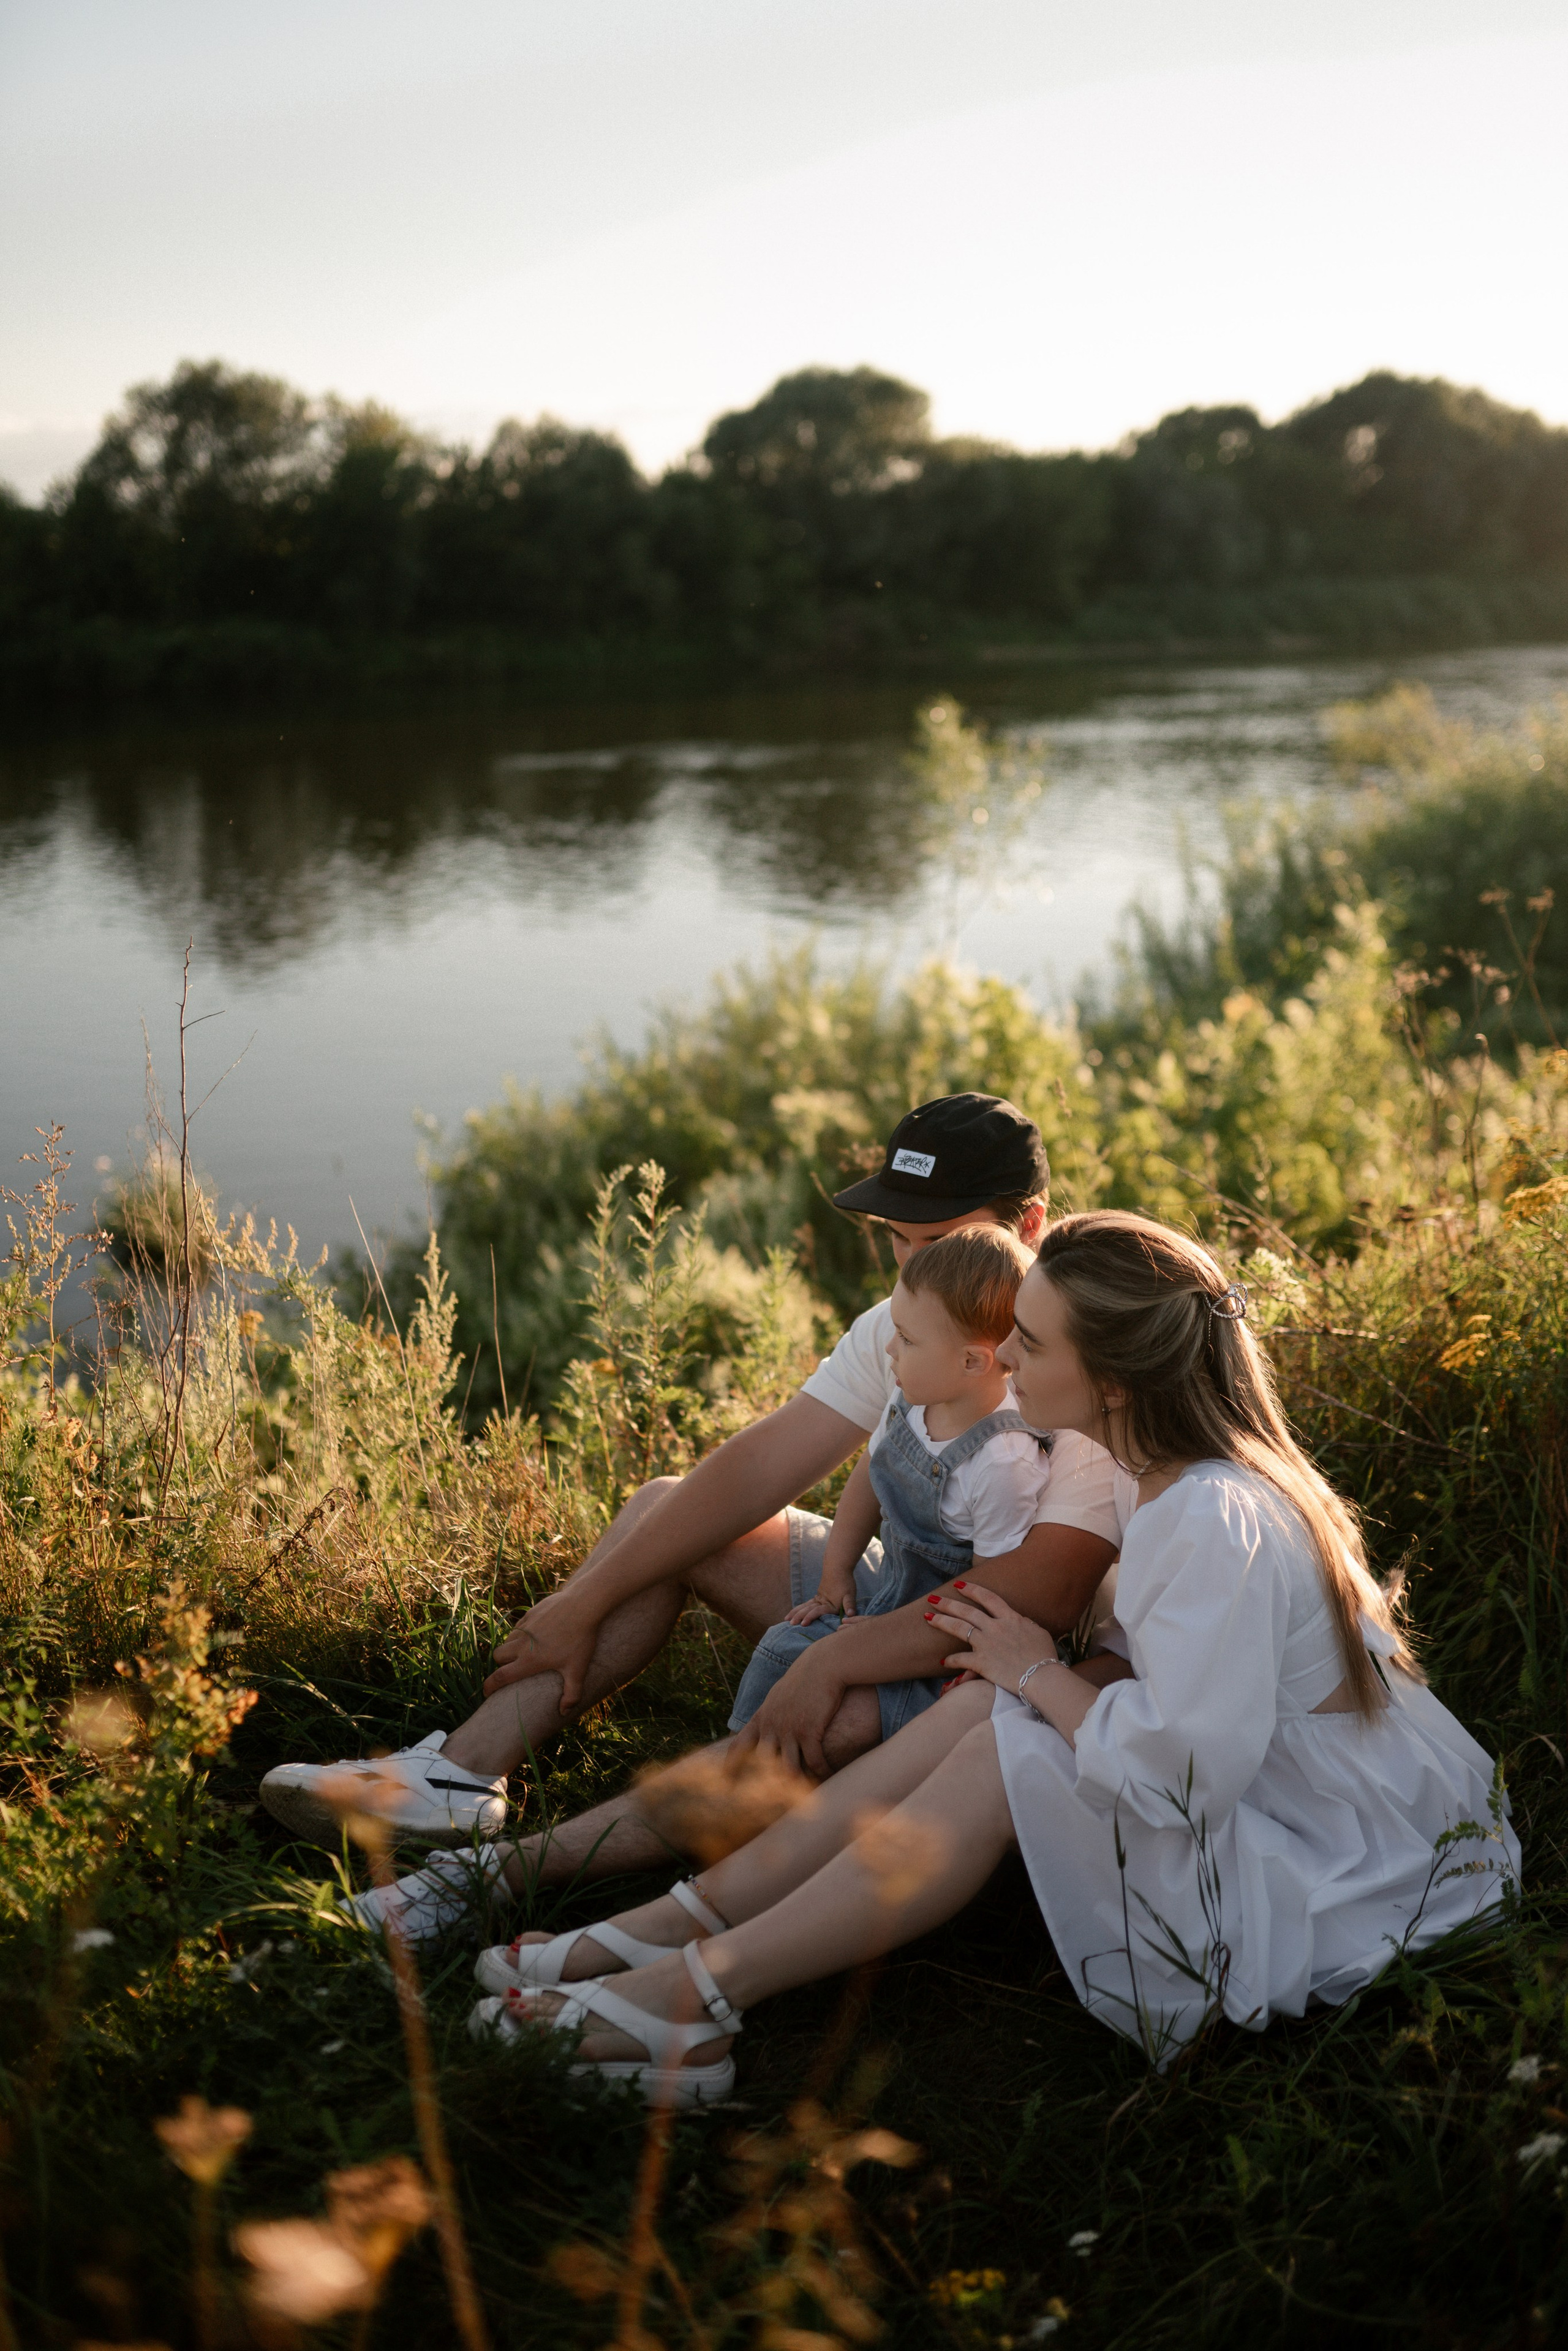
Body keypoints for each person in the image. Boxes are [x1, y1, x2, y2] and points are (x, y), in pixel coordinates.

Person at [459, 1211, 1518, 2105]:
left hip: (1339, 1847)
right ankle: (675, 1933)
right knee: (984, 1718)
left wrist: (1034, 1671)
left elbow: (1186, 1780)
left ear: (1111, 1378)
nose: (1006, 1359)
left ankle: (693, 1991)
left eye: (1036, 1345)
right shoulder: (1154, 1463)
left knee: (1001, 1735)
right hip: (1280, 1778)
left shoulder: (1210, 1512)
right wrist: (1030, 1675)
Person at [261, 1094, 1131, 1861]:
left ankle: (578, 1870)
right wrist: (587, 1598)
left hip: (1021, 1667)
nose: (908, 1267)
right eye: (897, 1240)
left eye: (935, 1239)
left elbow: (1033, 1597)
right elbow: (767, 1460)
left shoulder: (1078, 1362)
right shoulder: (917, 1316)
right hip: (906, 1589)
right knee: (666, 1509)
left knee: (818, 1710)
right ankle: (455, 1776)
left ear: (1027, 1227)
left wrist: (834, 1662)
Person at [729, 1223, 1054, 1735]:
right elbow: (867, 1478)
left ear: (973, 1361)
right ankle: (743, 1753)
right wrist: (835, 1574)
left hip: (939, 1638)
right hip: (891, 1587)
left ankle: (765, 1776)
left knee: (829, 1689)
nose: (890, 1350)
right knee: (785, 1643)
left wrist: (880, 1637)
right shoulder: (912, 1400)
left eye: (906, 1338)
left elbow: (989, 1594)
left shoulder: (1002, 1463)